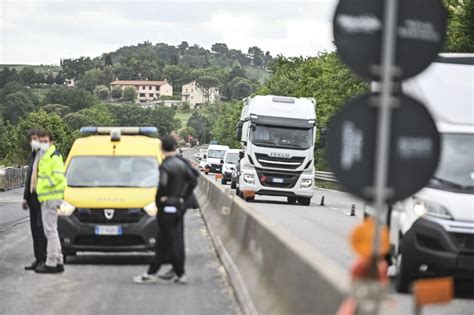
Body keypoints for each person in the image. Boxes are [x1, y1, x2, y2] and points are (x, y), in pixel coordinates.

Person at [134, 136, 197, 284]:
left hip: (167, 208)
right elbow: (194, 180)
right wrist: (182, 197)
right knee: (168, 240)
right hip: (178, 206)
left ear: (161, 148)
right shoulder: (182, 163)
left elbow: (162, 184)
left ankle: (164, 273)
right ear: (175, 147)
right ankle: (170, 272)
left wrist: (161, 199)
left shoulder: (166, 166)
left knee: (167, 241)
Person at [35, 130, 67, 274]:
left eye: (45, 141)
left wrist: (46, 187)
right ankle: (59, 261)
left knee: (50, 231)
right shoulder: (45, 156)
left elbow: (59, 178)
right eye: (41, 141)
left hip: (51, 198)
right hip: (47, 197)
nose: (43, 144)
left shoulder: (54, 156)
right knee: (52, 229)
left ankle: (51, 263)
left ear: (52, 141)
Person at [22, 128, 48, 271]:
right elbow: (29, 179)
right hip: (32, 198)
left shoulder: (46, 156)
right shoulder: (31, 156)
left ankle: (44, 259)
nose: (34, 141)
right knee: (34, 229)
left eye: (36, 138)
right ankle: (37, 259)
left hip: (43, 197)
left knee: (41, 228)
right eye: (31, 139)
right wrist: (25, 198)